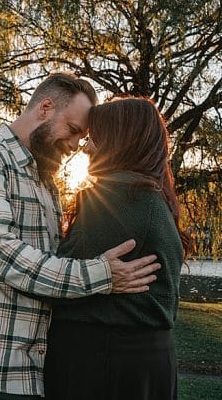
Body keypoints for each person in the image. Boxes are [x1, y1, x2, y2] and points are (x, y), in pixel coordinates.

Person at [0, 73, 161, 399]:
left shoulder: (46, 178)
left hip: (39, 357)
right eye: (72, 131)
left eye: (81, 139)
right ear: (45, 107)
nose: (74, 147)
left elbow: (45, 253)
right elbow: (0, 249)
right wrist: (102, 274)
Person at [43, 97, 190, 399]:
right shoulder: (153, 196)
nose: (85, 147)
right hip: (144, 358)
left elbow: (54, 280)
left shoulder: (117, 196)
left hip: (103, 359)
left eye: (95, 137)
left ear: (119, 140)